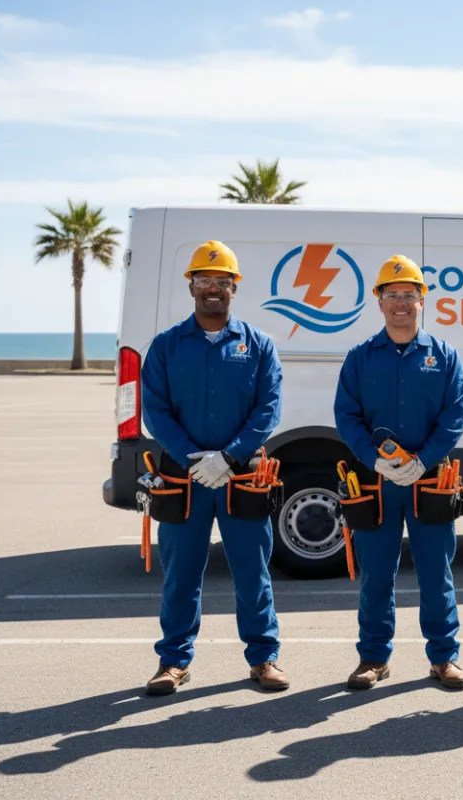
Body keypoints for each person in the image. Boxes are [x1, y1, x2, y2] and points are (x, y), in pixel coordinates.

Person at [141, 240, 288, 695]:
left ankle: (264, 659)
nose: (213, 289)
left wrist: (229, 457)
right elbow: (155, 410)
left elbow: (269, 408)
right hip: (183, 479)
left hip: (242, 476)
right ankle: (173, 662)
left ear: (233, 289)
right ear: (191, 287)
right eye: (204, 281)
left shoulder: (258, 344)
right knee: (182, 572)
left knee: (252, 570)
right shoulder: (166, 346)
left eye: (222, 282)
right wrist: (192, 457)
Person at [334, 255, 463, 691]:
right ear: (379, 301)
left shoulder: (444, 356)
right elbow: (346, 415)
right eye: (392, 295)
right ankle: (373, 657)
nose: (400, 303)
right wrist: (372, 459)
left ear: (421, 301)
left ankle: (444, 658)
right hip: (376, 482)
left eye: (408, 295)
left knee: (436, 571)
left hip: (430, 481)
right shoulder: (360, 358)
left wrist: (423, 461)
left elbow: (455, 415)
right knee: (377, 572)